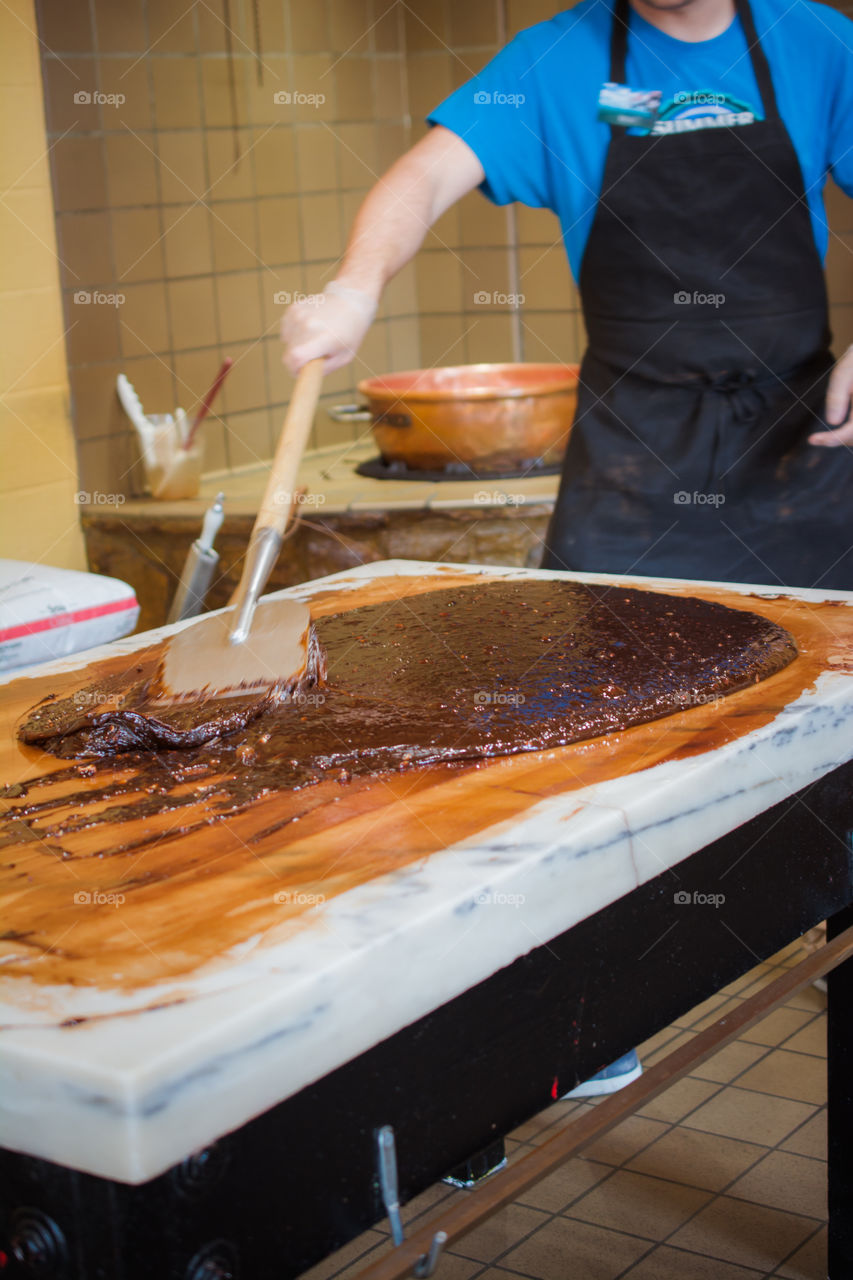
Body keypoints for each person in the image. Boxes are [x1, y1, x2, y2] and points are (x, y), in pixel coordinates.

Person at [282, 0, 853, 1093]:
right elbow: (420, 178)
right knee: (588, 733)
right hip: (634, 452)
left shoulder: (813, 41)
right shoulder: (556, 58)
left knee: (836, 699)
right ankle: (599, 1001)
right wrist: (355, 286)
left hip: (800, 445)